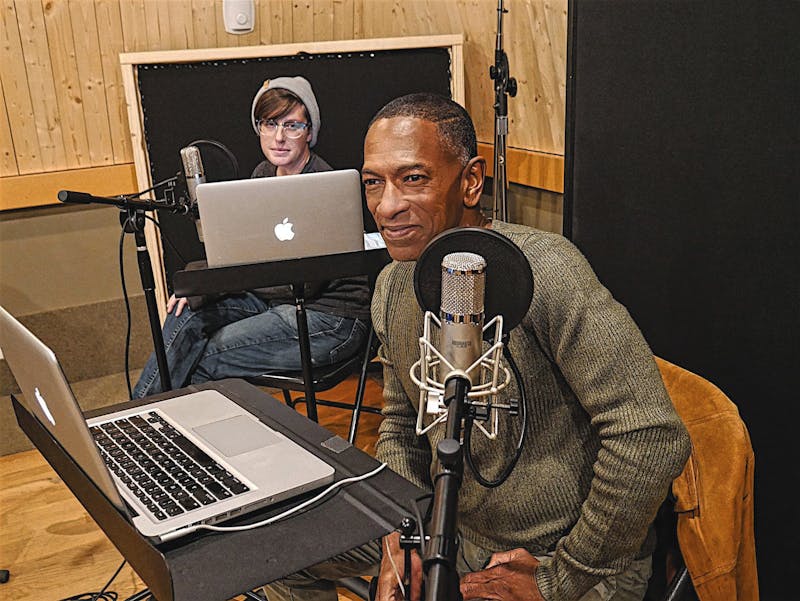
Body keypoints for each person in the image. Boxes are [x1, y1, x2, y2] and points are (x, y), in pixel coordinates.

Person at [264, 92, 692, 601]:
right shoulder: (394, 286)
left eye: (413, 178)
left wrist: (562, 578)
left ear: (470, 181)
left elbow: (650, 434)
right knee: (275, 558)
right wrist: (398, 535)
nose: (387, 205)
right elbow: (402, 424)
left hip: (567, 558)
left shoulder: (550, 272)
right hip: (448, 530)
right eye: (373, 183)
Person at [133, 76, 370, 398]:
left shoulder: (324, 183)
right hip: (275, 300)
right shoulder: (261, 175)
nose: (279, 137)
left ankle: (158, 427)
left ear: (310, 133)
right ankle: (139, 414)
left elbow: (298, 280)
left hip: (328, 317)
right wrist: (200, 286)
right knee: (186, 313)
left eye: (293, 126)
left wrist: (216, 283)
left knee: (200, 360)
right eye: (269, 124)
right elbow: (247, 258)